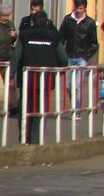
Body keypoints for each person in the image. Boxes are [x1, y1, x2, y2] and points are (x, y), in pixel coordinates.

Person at [12, 13, 67, 143]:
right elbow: (63, 58)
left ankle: (24, 138)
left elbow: (16, 56)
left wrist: (11, 74)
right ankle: (36, 140)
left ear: (32, 22)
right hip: (46, 79)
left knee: (24, 108)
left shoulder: (24, 35)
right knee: (40, 108)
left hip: (27, 79)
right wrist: (61, 70)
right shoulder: (54, 37)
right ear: (47, 22)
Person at [58, 0, 99, 112]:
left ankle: (77, 111)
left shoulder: (90, 22)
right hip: (69, 56)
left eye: (80, 8)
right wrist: (61, 53)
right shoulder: (68, 20)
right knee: (68, 85)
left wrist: (86, 56)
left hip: (82, 58)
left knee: (77, 86)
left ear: (85, 8)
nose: (78, 11)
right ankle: (75, 103)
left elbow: (94, 43)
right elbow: (61, 37)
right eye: (76, 8)